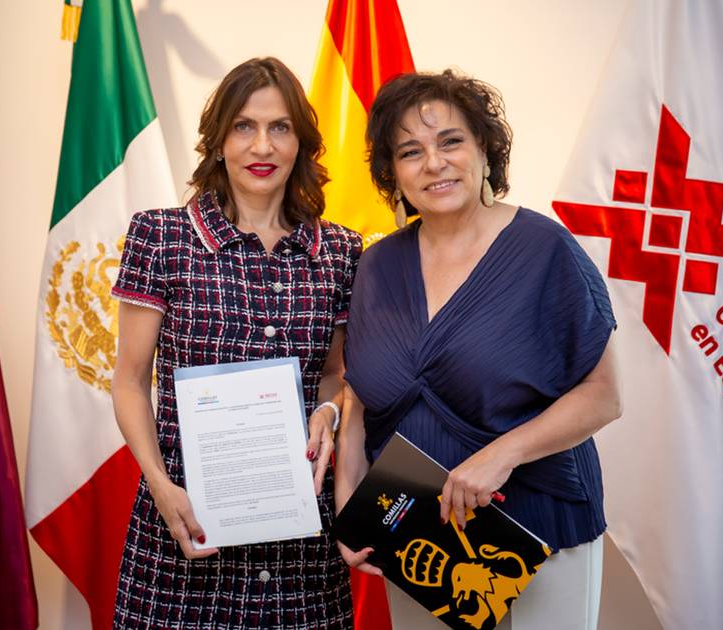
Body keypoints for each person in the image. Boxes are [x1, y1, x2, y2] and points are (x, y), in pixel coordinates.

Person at [334, 70, 621, 630]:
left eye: (451, 141)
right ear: (392, 173)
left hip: (536, 524)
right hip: (417, 532)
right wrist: (350, 502)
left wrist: (500, 455)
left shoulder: (546, 250)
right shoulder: (376, 265)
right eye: (410, 152)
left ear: (485, 150)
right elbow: (359, 396)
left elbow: (604, 397)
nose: (434, 163)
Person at [110, 57, 360, 629]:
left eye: (280, 128)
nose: (262, 145)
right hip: (184, 528)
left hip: (300, 547)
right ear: (219, 140)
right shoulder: (161, 237)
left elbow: (335, 376)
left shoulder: (343, 252)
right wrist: (158, 483)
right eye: (244, 126)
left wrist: (327, 409)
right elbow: (128, 381)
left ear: (301, 143)